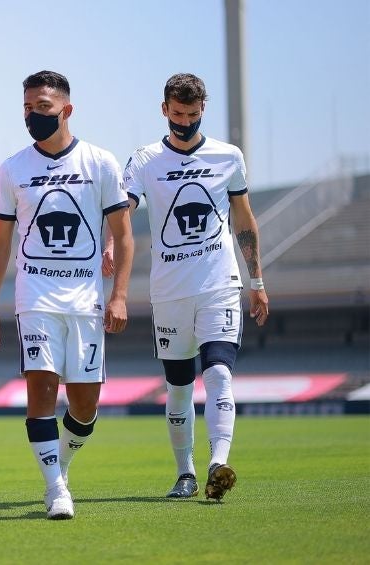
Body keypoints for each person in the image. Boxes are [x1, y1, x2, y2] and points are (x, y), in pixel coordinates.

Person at [0, 71, 133, 520]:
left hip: (86, 300)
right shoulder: (13, 169)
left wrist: (120, 294)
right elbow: (0, 243)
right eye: (27, 108)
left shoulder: (100, 163)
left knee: (85, 407)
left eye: (42, 108)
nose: (33, 116)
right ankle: (55, 490)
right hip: (35, 298)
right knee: (43, 388)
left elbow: (124, 236)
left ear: (66, 110)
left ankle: (60, 465)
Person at [122, 73, 269, 501]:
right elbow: (123, 210)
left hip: (219, 284)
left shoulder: (228, 157)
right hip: (169, 292)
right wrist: (113, 241)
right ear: (164, 109)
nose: (184, 121)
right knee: (179, 387)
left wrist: (256, 280)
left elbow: (243, 219)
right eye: (177, 113)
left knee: (220, 373)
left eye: (192, 114)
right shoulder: (145, 159)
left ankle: (217, 464)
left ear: (202, 110)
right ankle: (184, 472)